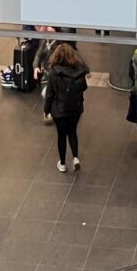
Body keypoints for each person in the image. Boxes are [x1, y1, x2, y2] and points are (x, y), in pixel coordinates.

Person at [43, 42, 89, 173]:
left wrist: (46, 111)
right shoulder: (79, 71)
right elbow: (84, 87)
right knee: (72, 132)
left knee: (61, 135)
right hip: (76, 108)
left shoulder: (54, 73)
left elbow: (49, 95)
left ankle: (62, 163)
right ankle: (75, 158)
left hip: (60, 109)